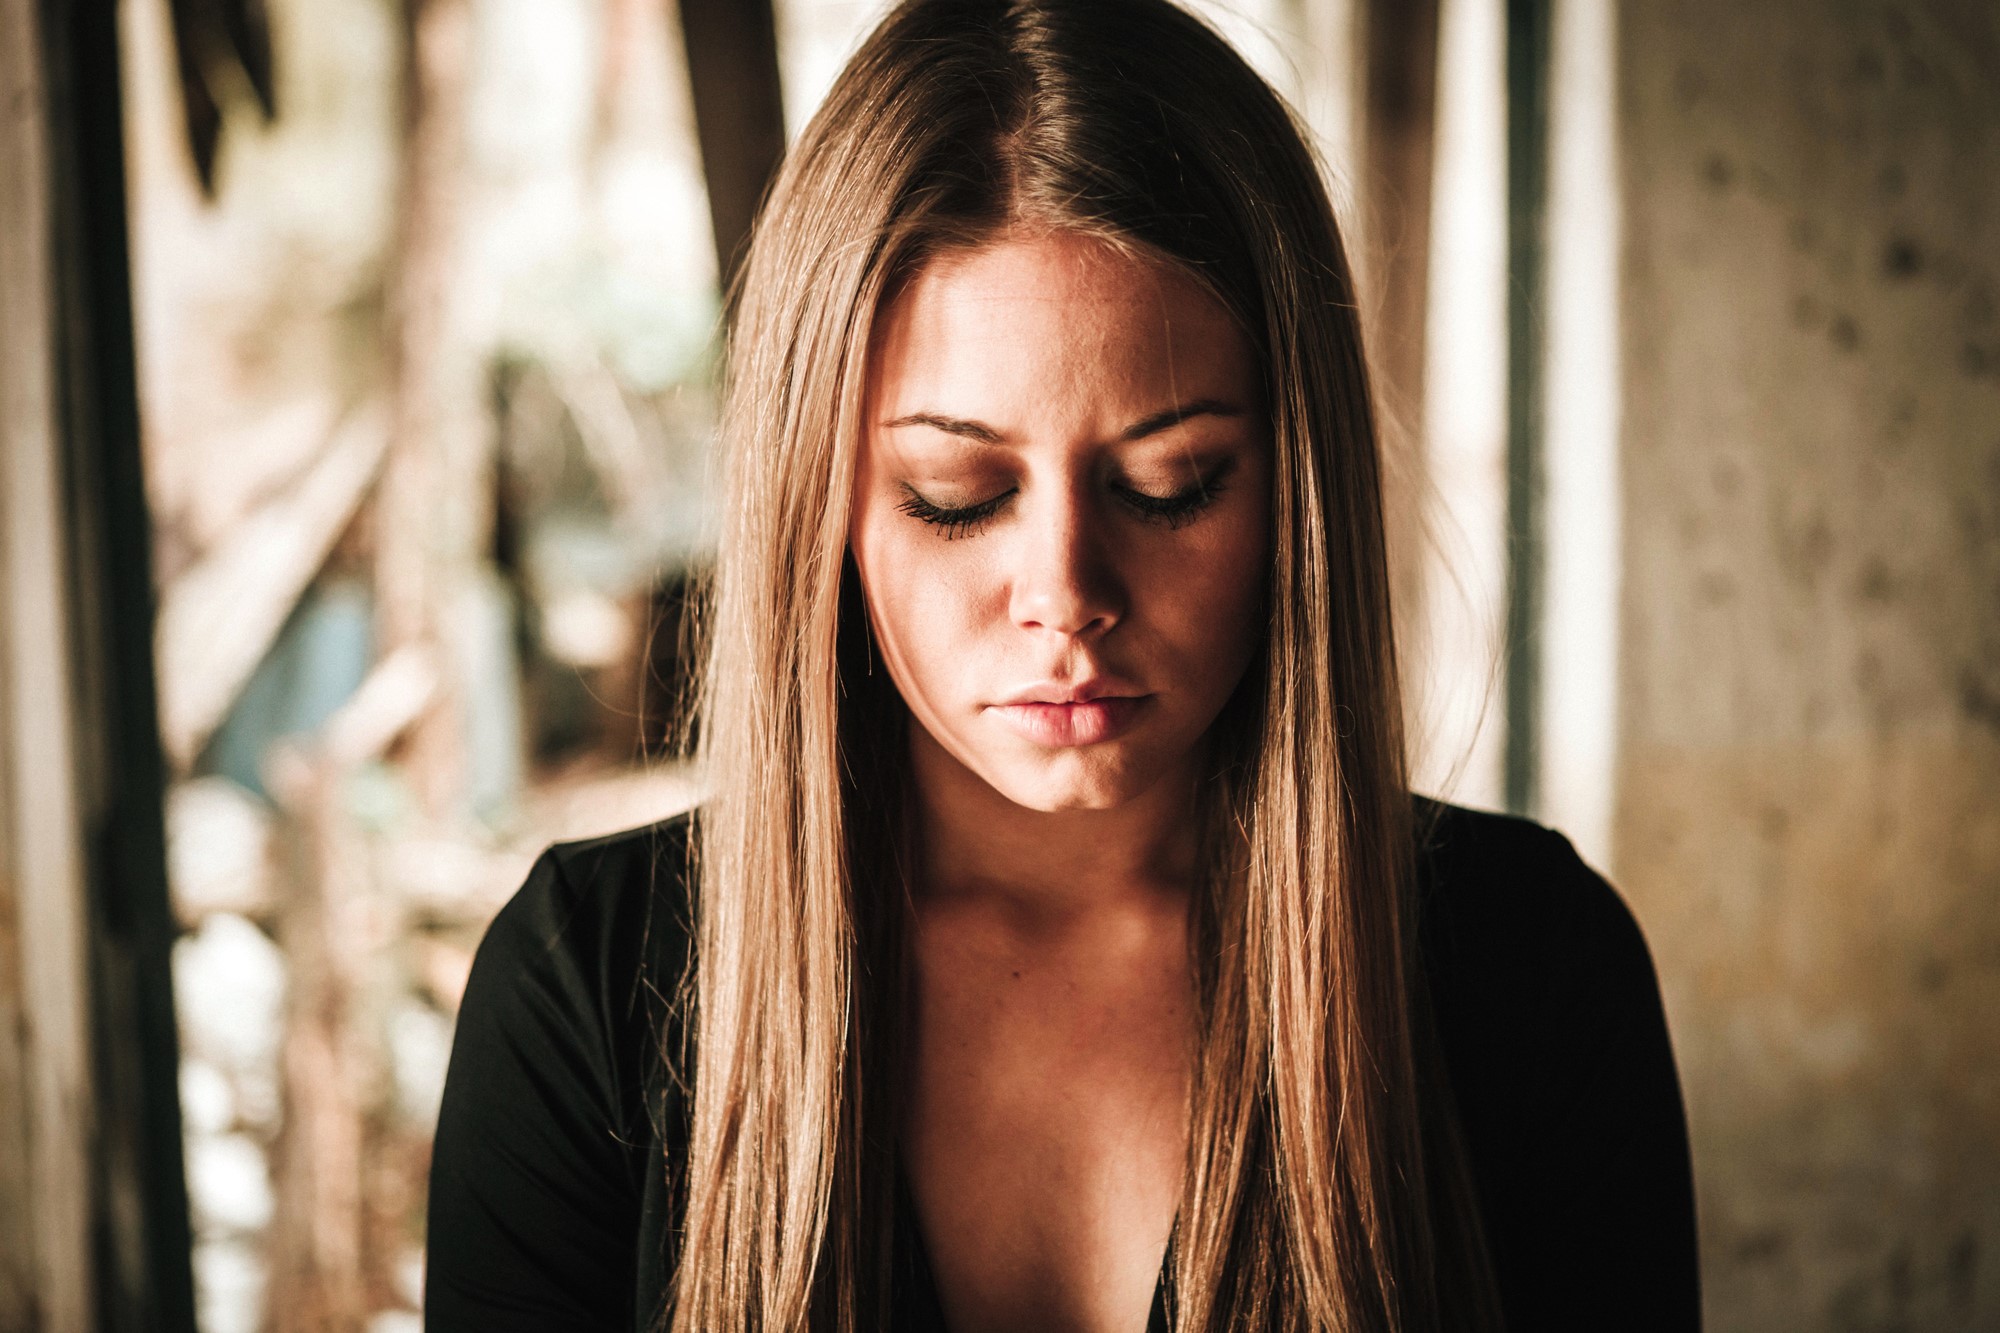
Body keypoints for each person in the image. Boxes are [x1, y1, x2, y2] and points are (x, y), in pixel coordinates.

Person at [424, 0, 1701, 1329]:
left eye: (1169, 483)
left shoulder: (1533, 974)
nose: (1067, 598)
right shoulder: (592, 997)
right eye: (955, 492)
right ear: (822, 505)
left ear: (1294, 486)